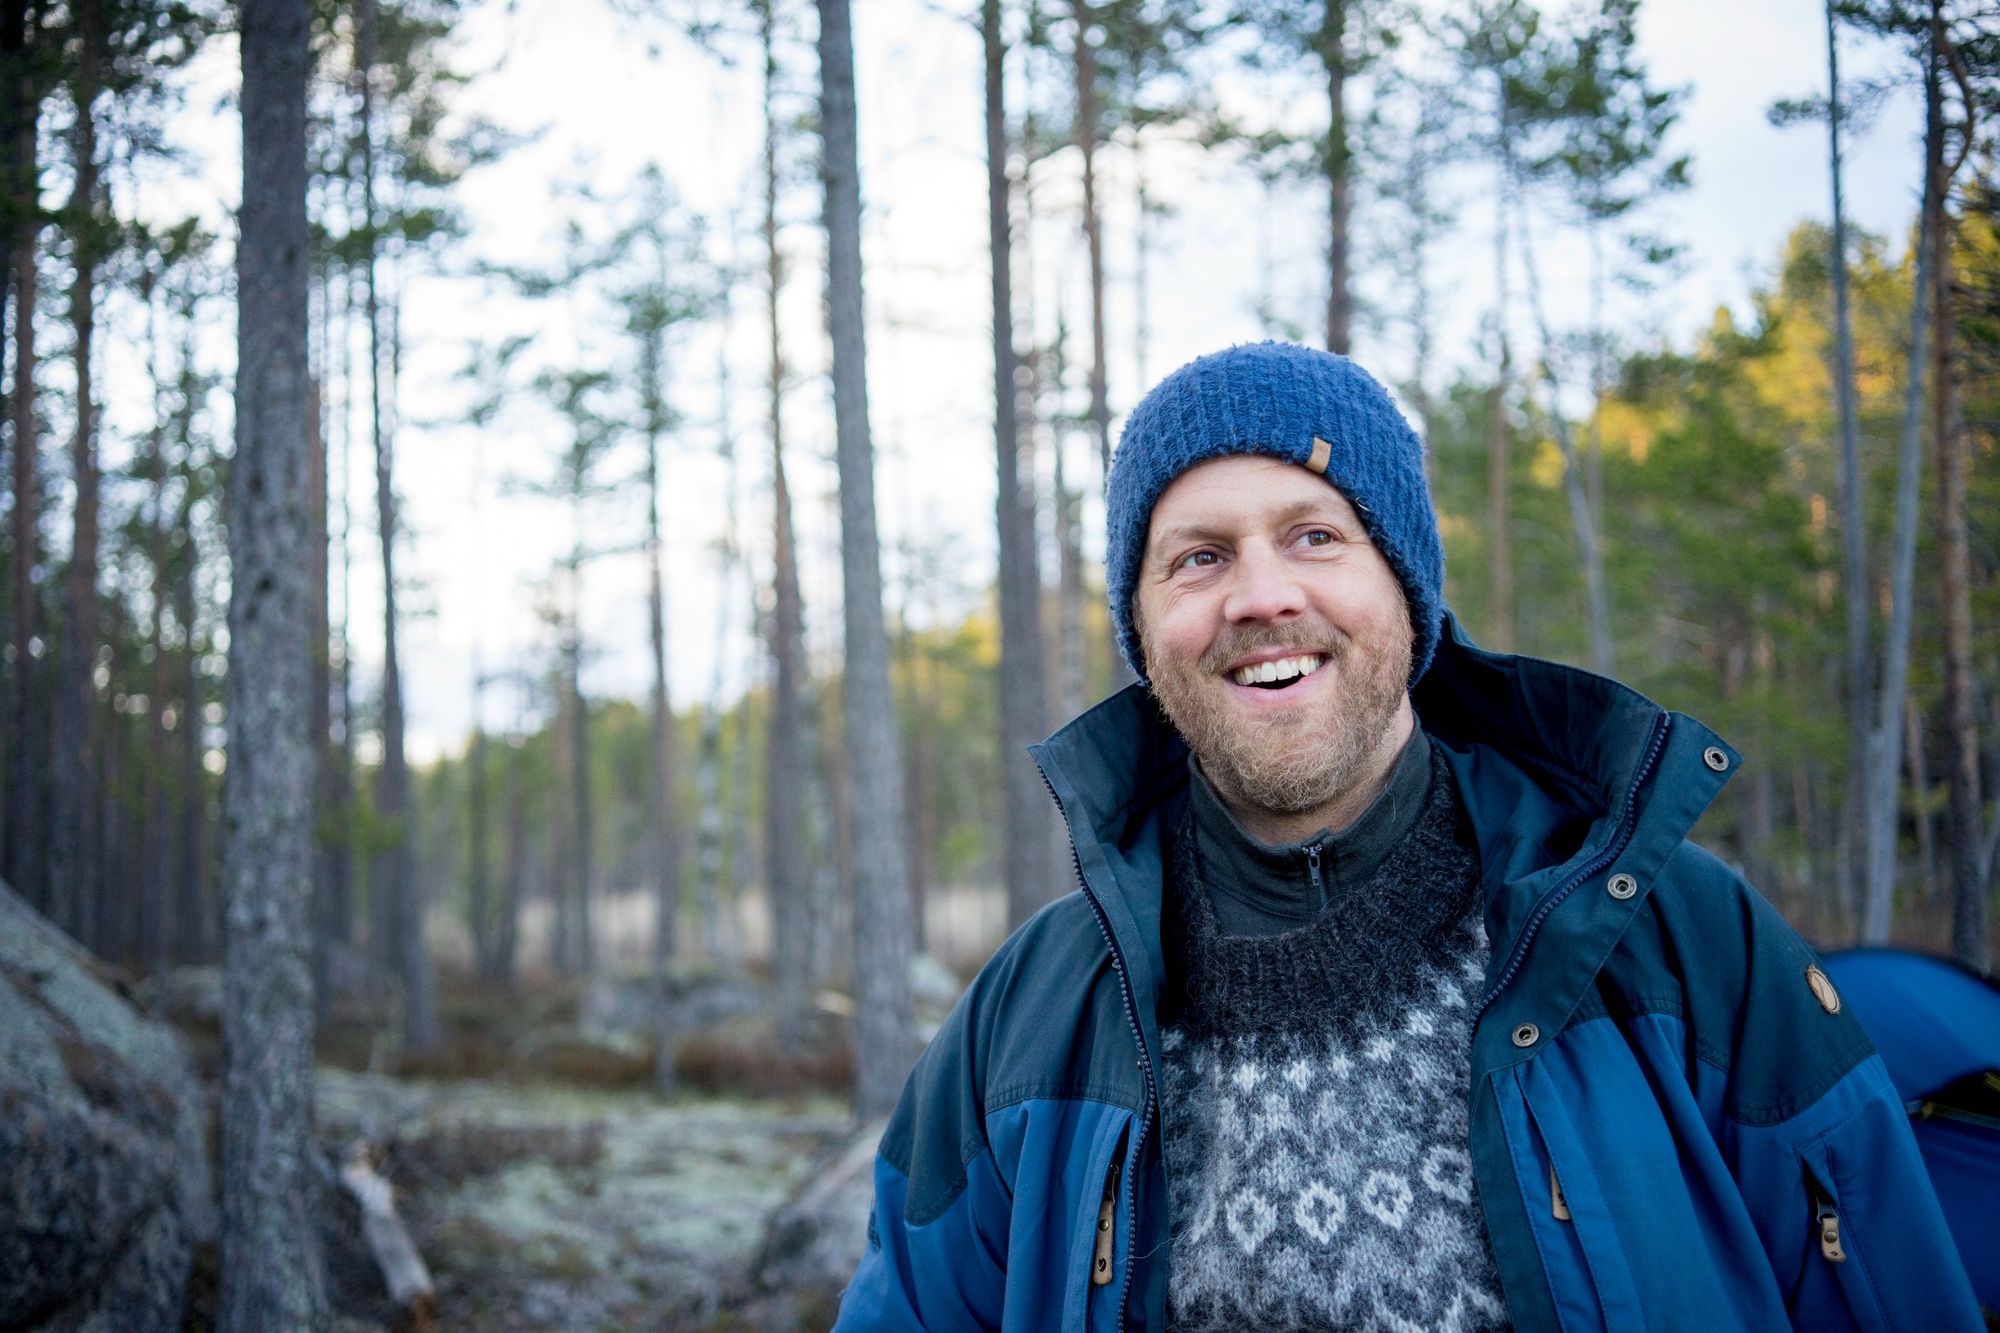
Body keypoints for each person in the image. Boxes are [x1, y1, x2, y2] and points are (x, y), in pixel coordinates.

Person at [832, 342, 1982, 1331]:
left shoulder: (1679, 940)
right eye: (1197, 555)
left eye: (1315, 534)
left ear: (1406, 585)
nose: (1258, 594)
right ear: (1142, 628)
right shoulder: (1025, 1023)